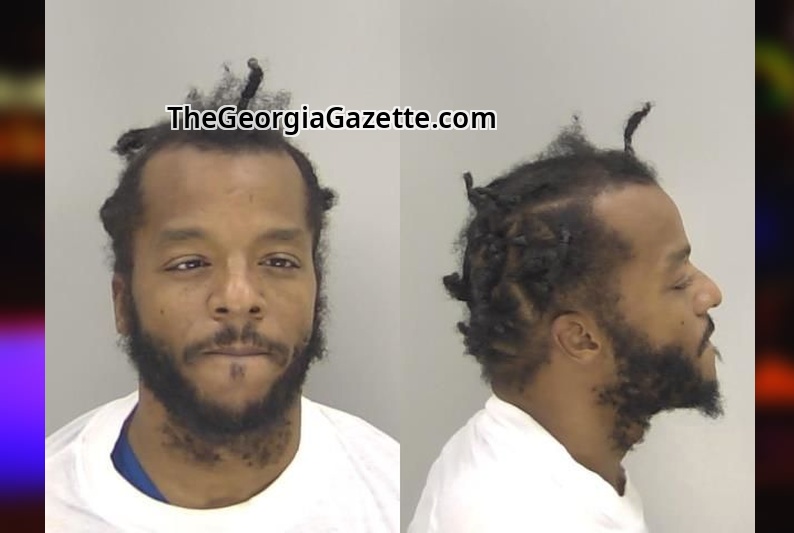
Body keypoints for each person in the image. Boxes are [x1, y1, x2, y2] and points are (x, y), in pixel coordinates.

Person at [45, 59, 399, 532]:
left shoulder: (392, 492)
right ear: (123, 302)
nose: (238, 297)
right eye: (189, 263)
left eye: (279, 261)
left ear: (317, 291)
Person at [408, 105, 724, 532]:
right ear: (580, 338)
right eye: (678, 280)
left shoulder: (545, 467)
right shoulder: (514, 518)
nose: (711, 293)